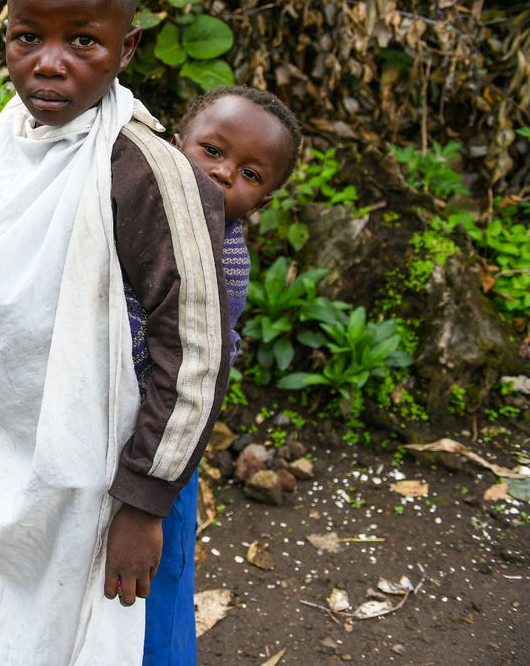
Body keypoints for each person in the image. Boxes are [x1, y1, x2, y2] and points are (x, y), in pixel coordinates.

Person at [0, 0, 234, 666]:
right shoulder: (12, 135)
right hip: (25, 453)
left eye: (84, 42)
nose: (49, 62)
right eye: (28, 36)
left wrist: (145, 500)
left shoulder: (146, 173)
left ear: (126, 50)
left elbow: (194, 348)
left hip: (128, 465)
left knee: (133, 630)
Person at [138, 85, 302, 666]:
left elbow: (199, 364)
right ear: (172, 145)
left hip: (161, 443)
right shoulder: (131, 205)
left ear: (259, 204)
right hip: (103, 433)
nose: (223, 173)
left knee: (154, 579)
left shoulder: (223, 255)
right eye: (212, 149)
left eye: (250, 173)